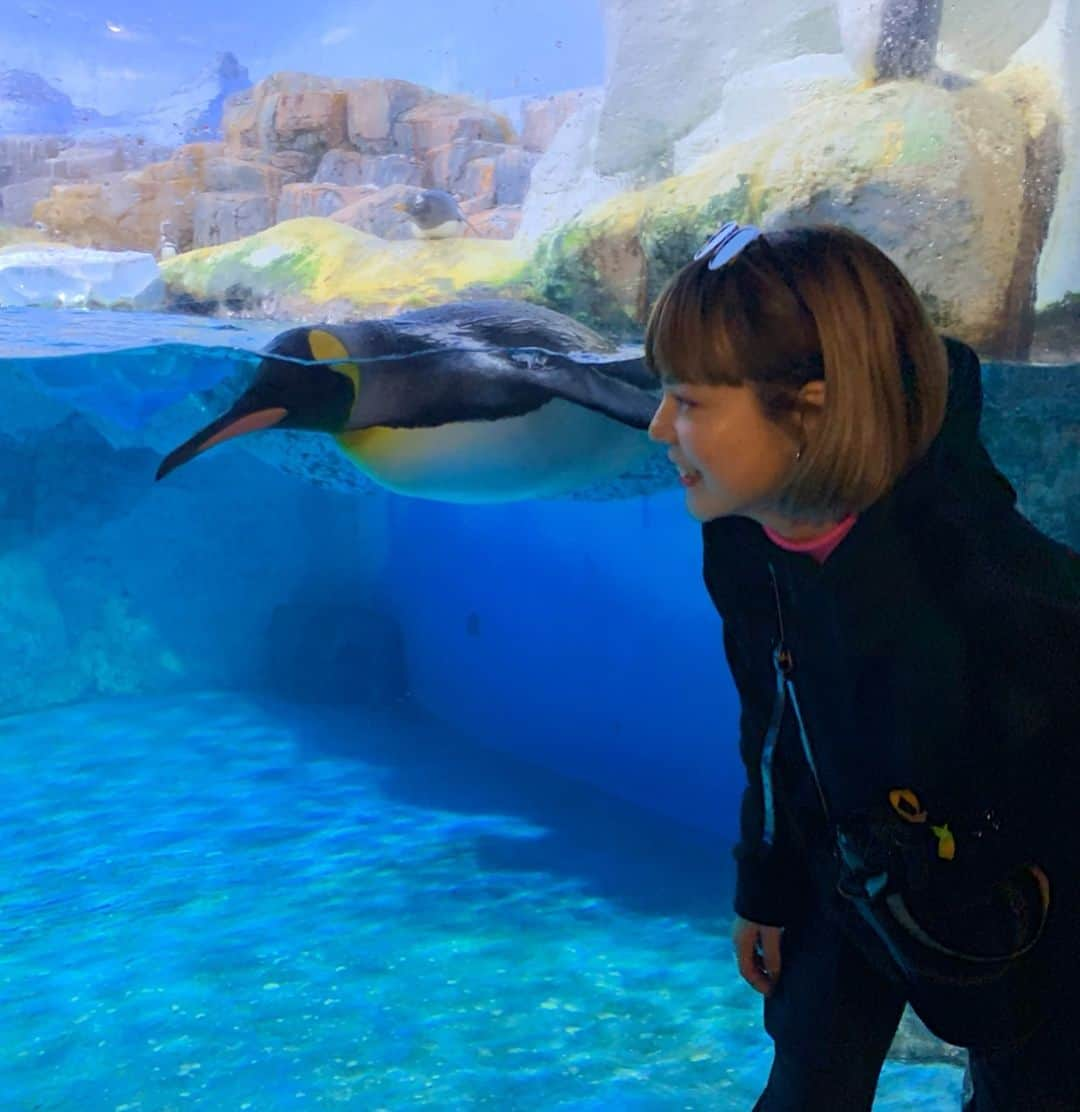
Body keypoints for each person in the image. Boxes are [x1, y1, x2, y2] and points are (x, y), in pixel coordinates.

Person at [644, 222, 1080, 1111]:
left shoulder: (982, 573)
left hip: (1014, 894)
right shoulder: (743, 533)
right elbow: (769, 710)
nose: (657, 429)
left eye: (686, 401)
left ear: (807, 408)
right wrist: (763, 877)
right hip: (842, 862)